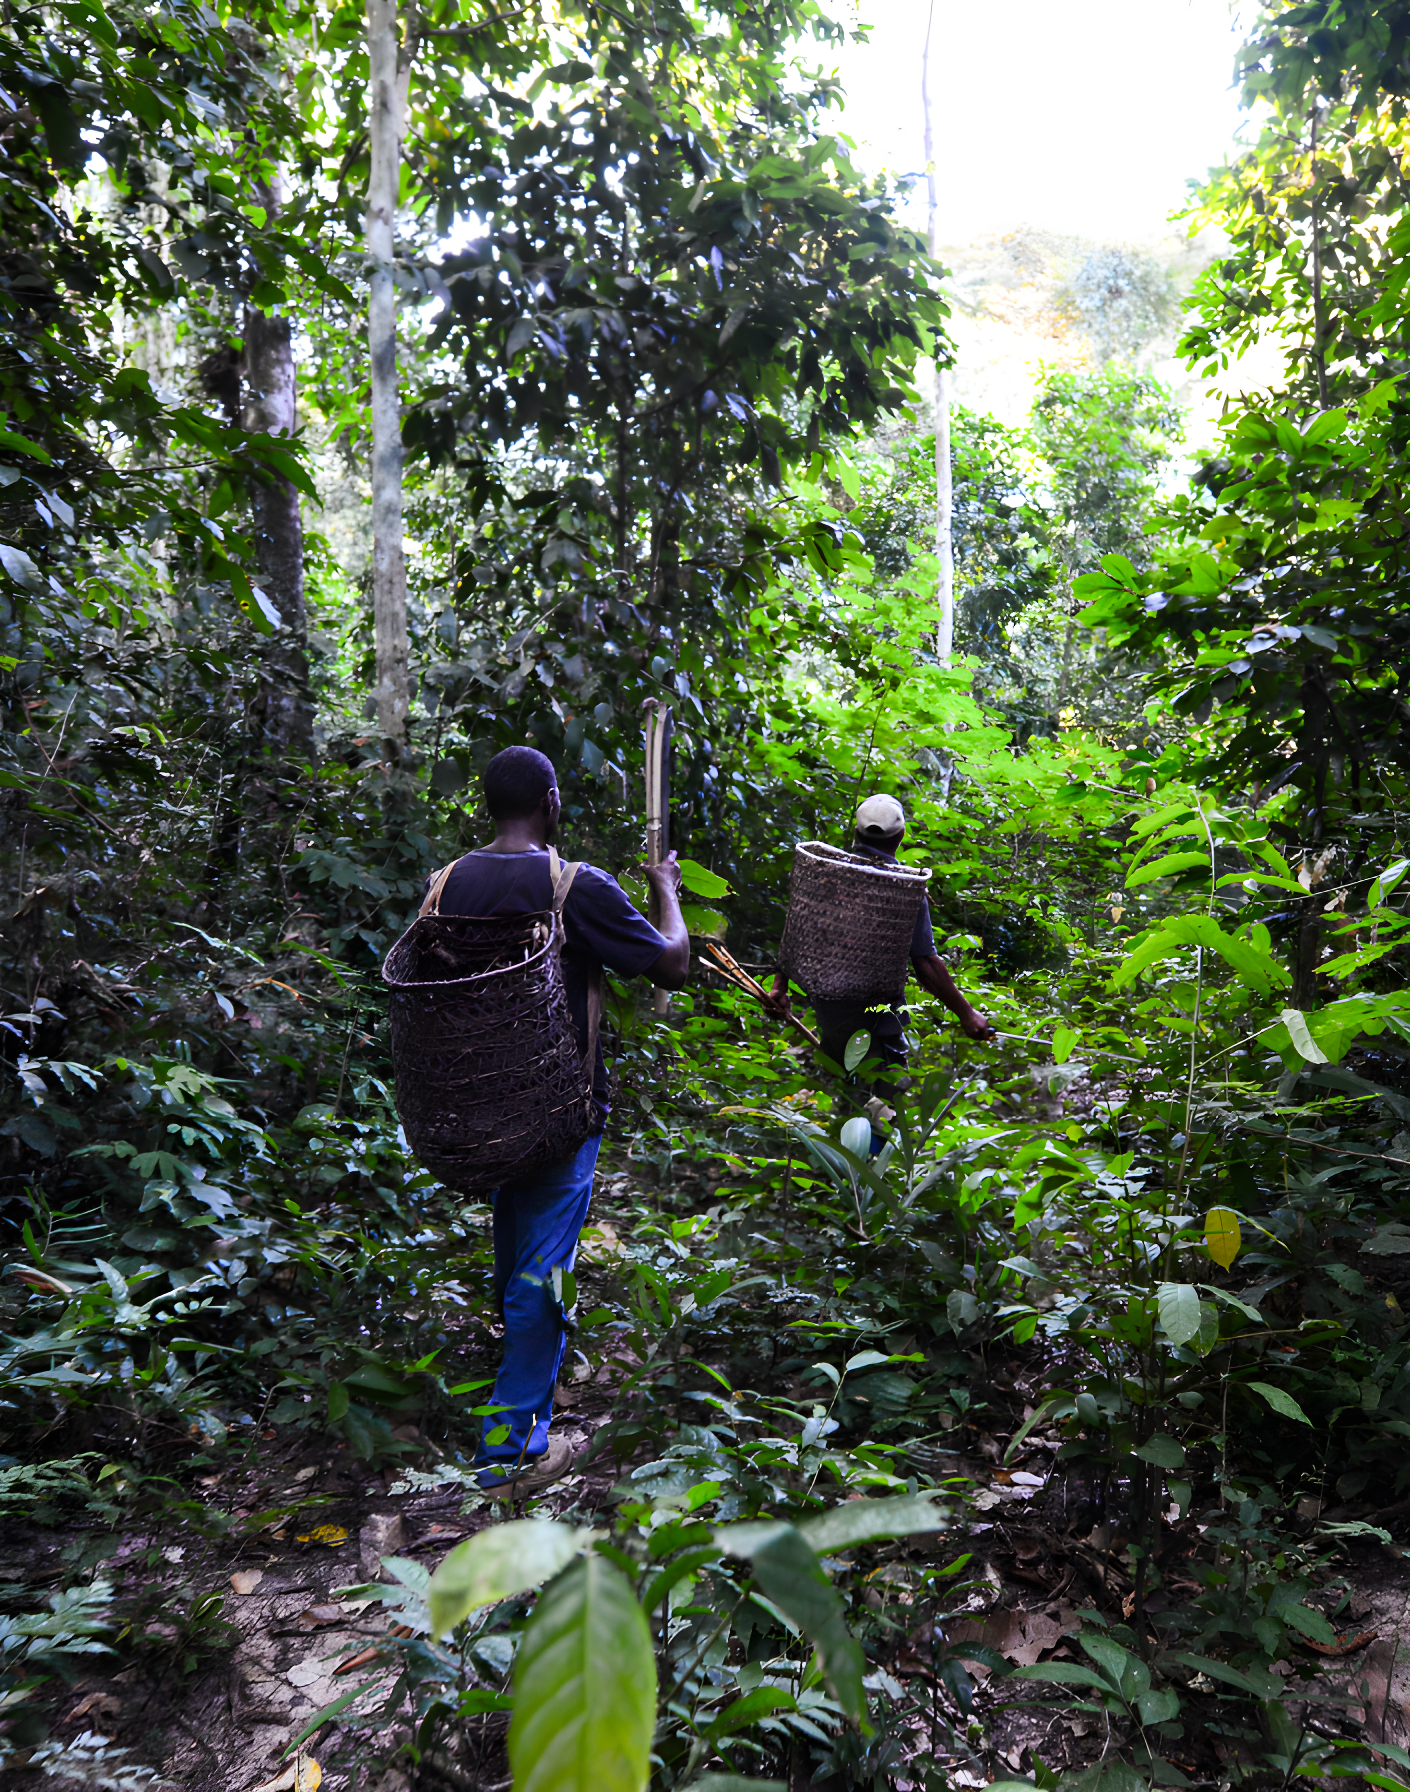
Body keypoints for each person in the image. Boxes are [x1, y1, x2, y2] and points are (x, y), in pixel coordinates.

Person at [431, 746, 688, 1494]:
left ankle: (518, 1404)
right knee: (540, 1273)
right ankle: (510, 1455)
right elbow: (671, 964)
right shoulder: (574, 885)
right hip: (556, 1109)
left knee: (518, 1257)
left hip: (478, 1105)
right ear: (549, 802)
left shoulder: (444, 885)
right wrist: (664, 889)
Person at [770, 794, 992, 1139]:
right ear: (899, 837)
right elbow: (926, 963)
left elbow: (796, 930)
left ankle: (842, 1175)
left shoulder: (825, 877)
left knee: (849, 1093)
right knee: (885, 1103)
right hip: (878, 1018)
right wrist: (966, 1013)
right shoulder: (904, 889)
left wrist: (779, 987)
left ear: (856, 833)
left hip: (830, 1010)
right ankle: (871, 1179)